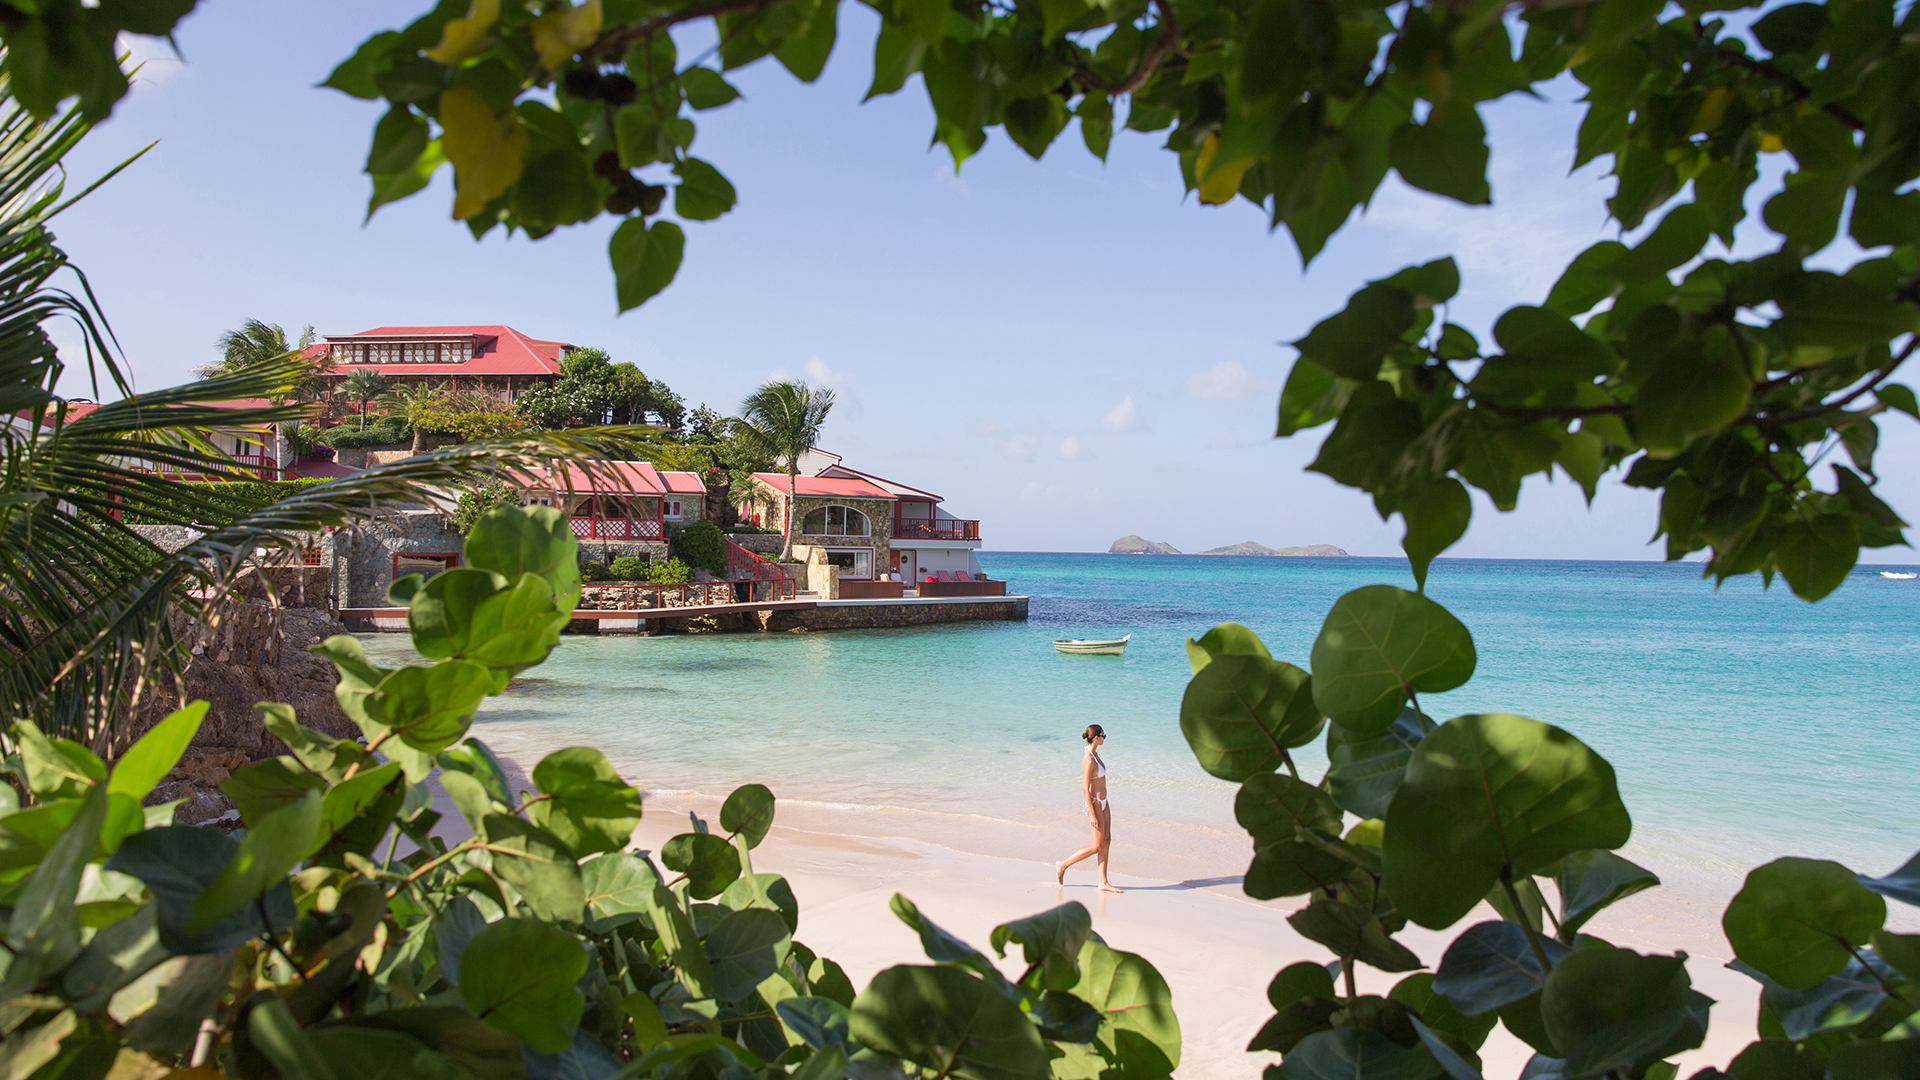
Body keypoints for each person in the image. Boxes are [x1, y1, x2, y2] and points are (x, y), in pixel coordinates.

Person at [1055, 724, 1122, 893]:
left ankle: (1103, 882)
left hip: (1105, 802)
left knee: (1107, 840)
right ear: (1097, 738)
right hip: (1096, 804)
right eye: (1103, 736)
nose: (1104, 739)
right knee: (1096, 846)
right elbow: (1085, 788)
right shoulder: (1089, 759)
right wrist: (1091, 813)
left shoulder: (1096, 755)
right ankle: (1063, 865)